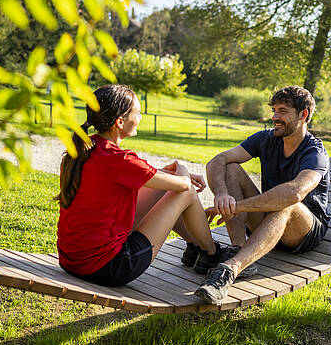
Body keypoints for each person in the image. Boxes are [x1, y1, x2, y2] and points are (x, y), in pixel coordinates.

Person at [56, 84, 222, 298]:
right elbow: (183, 185)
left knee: (167, 186)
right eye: (138, 112)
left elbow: (140, 176)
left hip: (72, 261)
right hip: (112, 267)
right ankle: (211, 252)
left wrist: (171, 174)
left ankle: (193, 246)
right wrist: (182, 167)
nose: (141, 117)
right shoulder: (120, 160)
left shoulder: (83, 151)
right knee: (186, 192)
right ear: (120, 122)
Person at [196, 85, 330, 303]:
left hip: (303, 231)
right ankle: (238, 248)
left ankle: (230, 269)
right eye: (274, 110)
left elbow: (295, 192)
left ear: (303, 115)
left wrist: (236, 207)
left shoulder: (315, 153)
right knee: (231, 168)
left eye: (283, 111)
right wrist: (221, 195)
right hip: (267, 219)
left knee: (287, 202)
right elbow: (217, 161)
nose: (275, 117)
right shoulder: (266, 139)